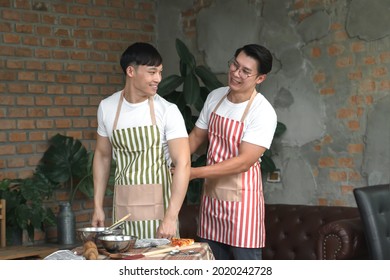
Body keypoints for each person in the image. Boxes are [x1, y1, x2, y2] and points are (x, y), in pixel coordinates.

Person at [91, 42, 190, 239]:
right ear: (130, 71)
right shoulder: (107, 107)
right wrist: (97, 206)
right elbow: (102, 156)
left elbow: (184, 163)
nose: (158, 79)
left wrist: (171, 217)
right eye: (152, 72)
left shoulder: (167, 111)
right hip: (123, 211)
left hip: (160, 216)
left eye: (160, 72)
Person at [188, 44, 277, 259]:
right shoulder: (215, 97)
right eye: (235, 65)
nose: (236, 73)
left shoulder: (263, 112)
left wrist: (193, 173)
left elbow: (243, 162)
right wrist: (175, 162)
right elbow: (196, 137)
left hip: (242, 209)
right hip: (212, 203)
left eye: (245, 71)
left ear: (260, 78)